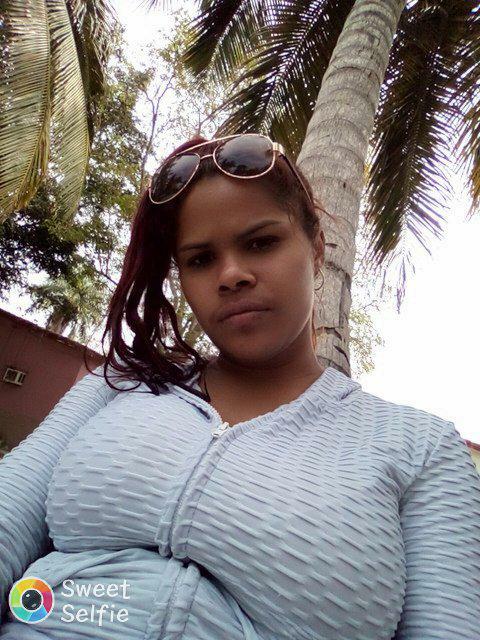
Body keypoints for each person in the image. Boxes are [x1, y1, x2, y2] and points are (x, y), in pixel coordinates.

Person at [0, 133, 479, 640]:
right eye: (200, 259)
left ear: (317, 249)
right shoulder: (117, 386)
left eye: (261, 243)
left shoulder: (421, 448)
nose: (231, 275)